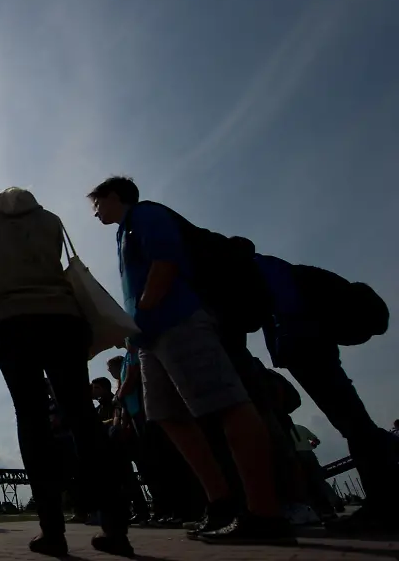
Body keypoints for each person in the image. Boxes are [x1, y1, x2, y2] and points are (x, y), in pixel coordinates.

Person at [88, 175, 294, 545]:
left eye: (98, 203)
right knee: (167, 415)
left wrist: (144, 311)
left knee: (227, 403)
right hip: (148, 338)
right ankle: (220, 504)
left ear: (114, 196)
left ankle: (265, 513)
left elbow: (165, 262)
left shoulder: (146, 214)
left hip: (177, 320)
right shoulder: (123, 234)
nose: (95, 212)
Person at [0, 186, 134, 558]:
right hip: (62, 319)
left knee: (31, 417)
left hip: (9, 321)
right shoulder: (50, 219)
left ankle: (52, 531)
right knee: (82, 416)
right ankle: (116, 527)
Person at [255, 252, 399, 533]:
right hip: (302, 341)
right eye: (361, 334)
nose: (354, 341)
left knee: (353, 423)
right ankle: (386, 502)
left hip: (300, 341)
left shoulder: (299, 281)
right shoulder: (306, 298)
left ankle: (385, 501)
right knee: (354, 422)